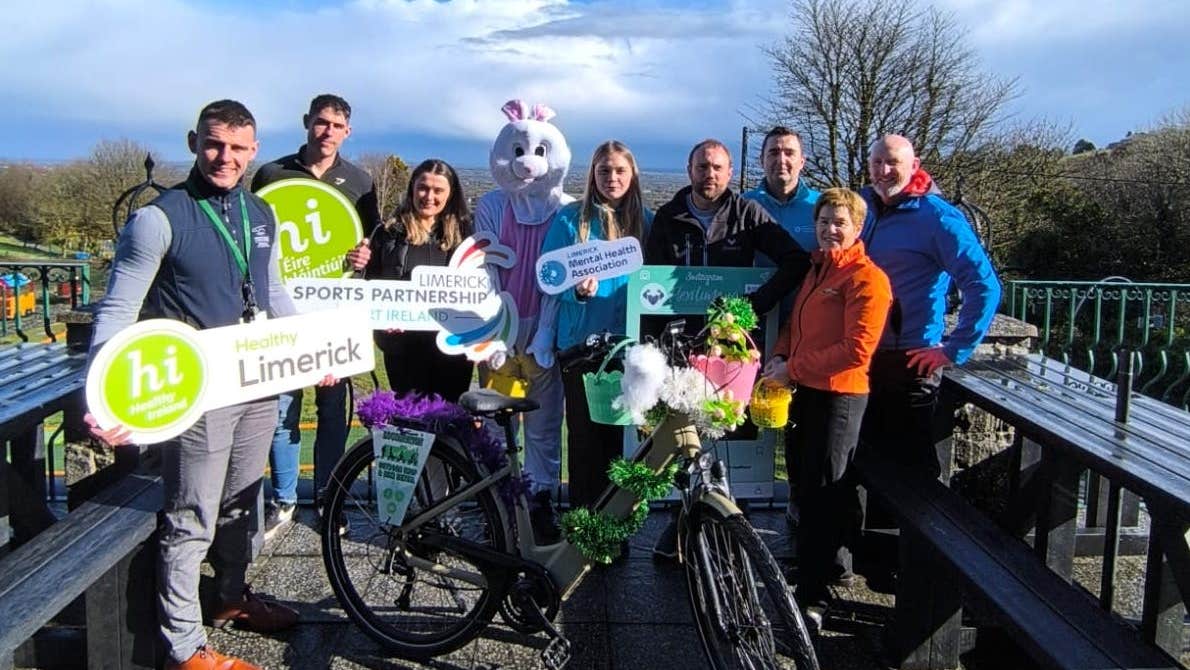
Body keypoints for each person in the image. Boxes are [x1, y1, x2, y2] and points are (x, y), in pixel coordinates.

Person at [87, 99, 301, 670]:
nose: (224, 157)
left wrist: (310, 347)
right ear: (193, 142)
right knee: (191, 515)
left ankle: (231, 597)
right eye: (214, 144)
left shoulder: (262, 214)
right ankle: (184, 646)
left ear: (254, 150)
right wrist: (103, 395)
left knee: (241, 502)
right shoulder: (158, 217)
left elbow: (273, 290)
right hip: (198, 390)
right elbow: (118, 310)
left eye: (237, 147)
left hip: (257, 381)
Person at [645, 138, 811, 559]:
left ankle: (718, 527)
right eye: (703, 166)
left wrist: (755, 306)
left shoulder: (747, 214)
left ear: (731, 171)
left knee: (723, 435)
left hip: (729, 348)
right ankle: (685, 528)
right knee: (683, 439)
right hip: (681, 347)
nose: (710, 174)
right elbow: (650, 281)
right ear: (689, 169)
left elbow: (795, 261)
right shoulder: (668, 217)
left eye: (718, 167)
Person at [251, 94, 382, 538]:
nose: (327, 132)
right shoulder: (272, 174)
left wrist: (366, 253)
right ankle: (284, 500)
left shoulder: (361, 181)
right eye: (321, 123)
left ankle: (330, 498)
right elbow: (255, 240)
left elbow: (372, 242)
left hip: (336, 311)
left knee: (332, 407)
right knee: (282, 406)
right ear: (307, 123)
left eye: (337, 126)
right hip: (283, 313)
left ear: (348, 132)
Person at [762, 188, 892, 630]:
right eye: (823, 222)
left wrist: (791, 368)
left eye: (840, 223)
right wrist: (781, 356)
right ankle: (813, 570)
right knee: (803, 485)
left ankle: (816, 597)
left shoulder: (866, 279)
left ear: (858, 229)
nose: (830, 229)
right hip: (804, 391)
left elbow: (855, 351)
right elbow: (795, 327)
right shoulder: (818, 270)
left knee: (825, 495)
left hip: (839, 398)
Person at [857, 135, 1001, 480]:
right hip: (861, 354)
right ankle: (862, 536)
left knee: (910, 473)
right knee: (862, 464)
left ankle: (907, 536)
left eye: (893, 162)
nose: (884, 170)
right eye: (877, 162)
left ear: (914, 166)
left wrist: (955, 349)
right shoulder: (860, 206)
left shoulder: (937, 217)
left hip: (910, 359)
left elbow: (984, 285)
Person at [541, 140, 654, 509]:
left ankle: (616, 528)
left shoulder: (647, 222)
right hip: (581, 347)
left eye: (620, 170)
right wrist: (577, 292)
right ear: (593, 174)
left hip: (629, 347)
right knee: (586, 442)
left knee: (622, 443)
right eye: (604, 170)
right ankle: (584, 528)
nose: (612, 178)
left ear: (632, 174)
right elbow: (547, 276)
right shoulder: (570, 219)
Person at [344, 159, 475, 401]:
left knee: (450, 422)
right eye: (423, 188)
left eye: (438, 190)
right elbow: (370, 284)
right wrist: (383, 318)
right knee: (409, 422)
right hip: (401, 346)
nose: (429, 196)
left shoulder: (466, 235)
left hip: (451, 346)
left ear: (451, 194)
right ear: (412, 188)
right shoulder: (388, 233)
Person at [743, 125, 820, 528]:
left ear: (802, 160)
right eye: (773, 153)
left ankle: (797, 505)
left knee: (800, 426)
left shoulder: (820, 208)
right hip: (752, 332)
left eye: (789, 152)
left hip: (807, 336)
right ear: (762, 160)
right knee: (739, 417)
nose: (781, 160)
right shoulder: (743, 204)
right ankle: (735, 501)